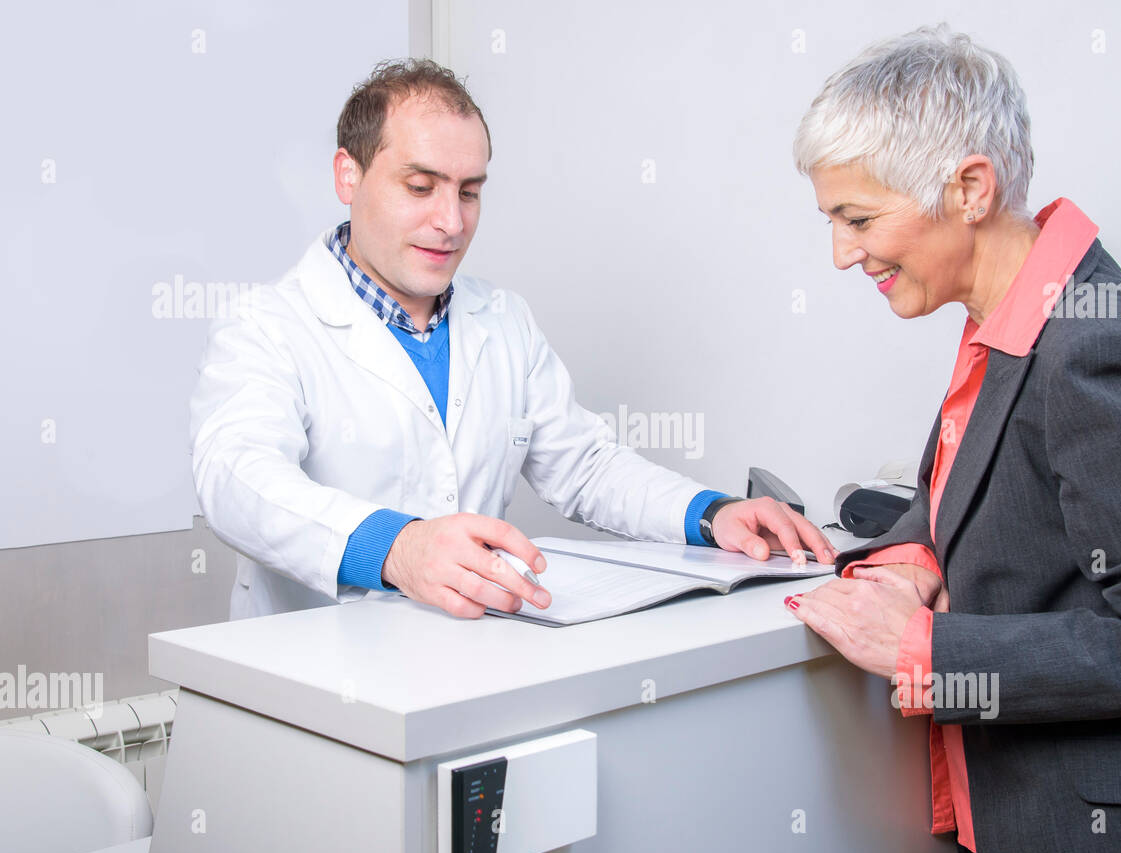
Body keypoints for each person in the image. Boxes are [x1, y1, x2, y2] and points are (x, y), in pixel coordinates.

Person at [785, 24, 1121, 853]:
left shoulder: (1093, 350)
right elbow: (991, 493)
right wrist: (916, 548)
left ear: (970, 189)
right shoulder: (1013, 324)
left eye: (859, 218)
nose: (843, 254)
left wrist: (924, 648)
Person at [190, 59, 833, 621]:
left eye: (469, 192)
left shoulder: (502, 321)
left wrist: (709, 512)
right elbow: (236, 479)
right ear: (348, 176)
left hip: (475, 662)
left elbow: (585, 468)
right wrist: (397, 548)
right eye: (420, 187)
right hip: (315, 681)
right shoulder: (268, 325)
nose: (450, 222)